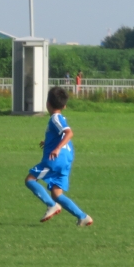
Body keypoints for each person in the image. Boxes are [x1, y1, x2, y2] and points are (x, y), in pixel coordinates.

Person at [26, 86, 92, 227]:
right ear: (64, 106)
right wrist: (49, 143)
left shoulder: (55, 118)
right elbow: (60, 135)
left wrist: (56, 148)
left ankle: (51, 205)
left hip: (56, 160)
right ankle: (83, 217)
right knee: (57, 194)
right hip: (67, 160)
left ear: (47, 103)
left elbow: (69, 133)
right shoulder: (61, 118)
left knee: (30, 180)